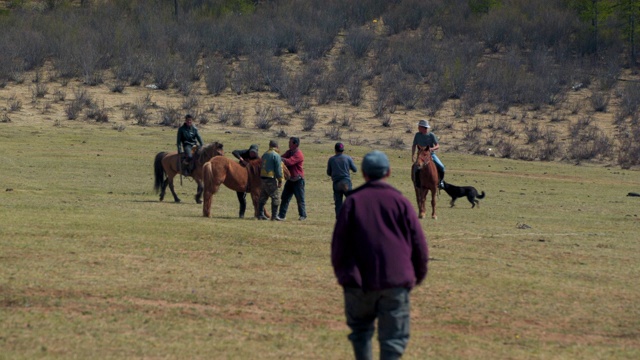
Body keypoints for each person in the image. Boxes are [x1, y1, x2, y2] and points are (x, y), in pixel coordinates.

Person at [331, 150, 429, 360]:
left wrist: (345, 276)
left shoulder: (353, 202)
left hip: (358, 283)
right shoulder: (401, 202)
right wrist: (416, 276)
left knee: (361, 333)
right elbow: (419, 245)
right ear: (389, 172)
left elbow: (338, 246)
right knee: (393, 340)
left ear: (364, 173)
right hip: (395, 282)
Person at [277, 137, 307, 221]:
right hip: (290, 180)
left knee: (300, 199)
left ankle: (303, 215)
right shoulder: (289, 152)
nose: (288, 144)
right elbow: (282, 157)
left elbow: (290, 162)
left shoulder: (299, 154)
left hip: (298, 180)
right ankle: (281, 215)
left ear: (295, 144)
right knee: (285, 197)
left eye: (290, 143)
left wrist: (279, 158)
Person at [326, 142, 357, 218]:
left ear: (335, 150)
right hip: (346, 182)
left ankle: (339, 220)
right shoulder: (348, 158)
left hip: (336, 183)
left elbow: (328, 172)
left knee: (338, 203)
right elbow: (355, 169)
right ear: (343, 150)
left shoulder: (331, 159)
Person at [411, 119, 445, 188]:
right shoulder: (417, 135)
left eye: (419, 126)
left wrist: (432, 149)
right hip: (420, 155)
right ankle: (417, 182)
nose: (418, 128)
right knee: (415, 168)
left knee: (442, 166)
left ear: (423, 128)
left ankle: (440, 182)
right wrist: (413, 155)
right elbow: (414, 145)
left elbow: (437, 145)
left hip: (430, 154)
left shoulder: (431, 135)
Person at [257, 140, 284, 221]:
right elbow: (278, 169)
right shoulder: (276, 155)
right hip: (271, 178)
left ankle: (260, 215)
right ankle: (274, 216)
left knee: (263, 197)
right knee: (276, 197)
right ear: (277, 146)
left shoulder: (265, 154)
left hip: (263, 178)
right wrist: (280, 179)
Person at [232, 144, 260, 218]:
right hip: (240, 177)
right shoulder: (245, 152)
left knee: (256, 199)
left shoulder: (257, 159)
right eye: (251, 152)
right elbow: (234, 152)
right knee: (241, 198)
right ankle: (241, 215)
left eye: (254, 153)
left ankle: (258, 214)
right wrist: (242, 160)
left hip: (251, 180)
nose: (252, 154)